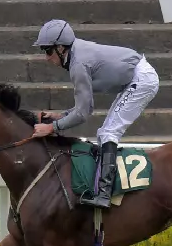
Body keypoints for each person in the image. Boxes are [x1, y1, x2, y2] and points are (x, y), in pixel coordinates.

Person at [31, 19, 160, 209]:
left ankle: (104, 195)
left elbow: (83, 114)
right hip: (136, 78)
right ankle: (103, 190)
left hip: (141, 80)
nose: (46, 57)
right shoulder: (75, 55)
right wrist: (61, 116)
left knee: (109, 133)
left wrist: (51, 128)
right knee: (104, 133)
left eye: (48, 51)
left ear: (60, 48)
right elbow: (86, 107)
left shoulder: (78, 64)